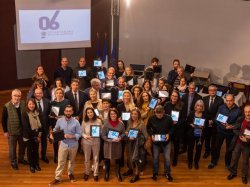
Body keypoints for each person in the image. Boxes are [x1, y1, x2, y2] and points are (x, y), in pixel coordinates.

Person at [49, 105, 82, 185]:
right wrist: (52, 134)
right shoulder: (59, 120)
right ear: (64, 112)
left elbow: (79, 134)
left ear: (72, 112)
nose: (68, 112)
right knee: (61, 161)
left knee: (72, 161)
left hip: (73, 145)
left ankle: (70, 174)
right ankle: (58, 178)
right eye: (67, 111)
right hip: (63, 145)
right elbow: (55, 129)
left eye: (70, 111)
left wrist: (72, 136)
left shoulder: (76, 122)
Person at [208, 94, 242, 169]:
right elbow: (216, 119)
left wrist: (232, 126)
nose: (229, 102)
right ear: (225, 100)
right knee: (217, 147)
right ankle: (213, 162)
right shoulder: (221, 107)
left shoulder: (238, 110)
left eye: (230, 101)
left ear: (234, 100)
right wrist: (224, 126)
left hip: (231, 133)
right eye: (227, 101)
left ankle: (227, 164)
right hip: (220, 131)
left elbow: (239, 123)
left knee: (229, 149)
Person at [2, 89, 28, 170]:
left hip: (22, 130)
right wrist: (5, 131)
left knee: (22, 146)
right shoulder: (6, 106)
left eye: (19, 96)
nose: (17, 97)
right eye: (15, 95)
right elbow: (3, 119)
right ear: (11, 96)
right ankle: (13, 161)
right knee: (12, 148)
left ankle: (21, 159)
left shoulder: (23, 103)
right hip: (12, 131)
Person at [147, 105, 174, 182]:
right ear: (155, 112)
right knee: (155, 158)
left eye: (160, 114)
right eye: (157, 114)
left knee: (167, 159)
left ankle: (167, 173)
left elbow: (172, 128)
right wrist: (151, 134)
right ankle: (155, 173)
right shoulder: (151, 118)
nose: (159, 116)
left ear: (164, 112)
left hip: (166, 141)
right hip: (156, 141)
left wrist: (169, 134)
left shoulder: (169, 118)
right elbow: (148, 128)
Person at [227, 104, 250, 184]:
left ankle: (244, 176)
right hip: (238, 143)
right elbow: (235, 129)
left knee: (245, 161)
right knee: (234, 159)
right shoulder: (241, 119)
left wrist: (247, 140)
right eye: (246, 112)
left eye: (249, 112)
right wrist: (240, 135)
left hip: (247, 145)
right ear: (244, 112)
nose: (247, 113)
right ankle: (233, 173)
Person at [124, 108, 148, 183]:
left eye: (135, 114)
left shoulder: (141, 123)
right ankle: (131, 170)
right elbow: (127, 130)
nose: (133, 115)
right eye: (132, 114)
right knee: (130, 157)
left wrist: (138, 137)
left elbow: (146, 136)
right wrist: (127, 133)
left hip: (138, 144)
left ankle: (136, 174)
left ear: (138, 115)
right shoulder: (129, 121)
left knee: (136, 159)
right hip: (130, 143)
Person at [101, 108, 125, 182]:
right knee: (107, 158)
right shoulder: (106, 123)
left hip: (117, 144)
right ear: (109, 115)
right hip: (108, 144)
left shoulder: (121, 124)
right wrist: (110, 140)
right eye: (111, 114)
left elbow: (123, 133)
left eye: (114, 114)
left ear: (117, 114)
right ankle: (107, 173)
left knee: (117, 158)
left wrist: (120, 137)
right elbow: (103, 135)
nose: (113, 115)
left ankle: (118, 173)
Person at [164, 90, 185, 166]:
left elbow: (183, 118)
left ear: (178, 97)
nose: (174, 97)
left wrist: (177, 122)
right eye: (172, 95)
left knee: (176, 145)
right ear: (170, 96)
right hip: (168, 128)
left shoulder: (182, 105)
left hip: (177, 128)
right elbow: (164, 115)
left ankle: (175, 159)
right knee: (167, 144)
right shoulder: (167, 104)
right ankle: (167, 158)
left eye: (176, 96)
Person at [49, 87, 70, 163]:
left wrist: (62, 116)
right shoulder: (52, 103)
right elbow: (50, 115)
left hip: (65, 122)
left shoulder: (67, 101)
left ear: (63, 94)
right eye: (57, 93)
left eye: (60, 93)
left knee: (65, 140)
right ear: (55, 94)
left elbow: (69, 112)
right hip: (55, 123)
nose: (59, 94)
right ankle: (56, 155)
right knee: (55, 141)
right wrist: (53, 117)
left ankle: (65, 154)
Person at [202, 85, 224, 159]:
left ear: (216, 91)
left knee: (214, 139)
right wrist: (208, 120)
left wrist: (213, 120)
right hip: (206, 122)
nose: (212, 91)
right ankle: (207, 151)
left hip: (216, 123)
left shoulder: (220, 100)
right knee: (207, 138)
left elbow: (220, 113)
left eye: (214, 90)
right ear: (208, 91)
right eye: (210, 90)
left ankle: (213, 152)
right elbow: (203, 111)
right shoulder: (204, 99)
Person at [82, 107, 102, 181]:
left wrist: (98, 134)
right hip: (86, 142)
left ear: (93, 113)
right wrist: (86, 136)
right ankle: (86, 173)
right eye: (88, 112)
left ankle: (96, 173)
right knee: (87, 158)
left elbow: (101, 131)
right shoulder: (84, 121)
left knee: (96, 158)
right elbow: (82, 132)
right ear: (86, 114)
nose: (90, 114)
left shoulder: (98, 121)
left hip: (96, 141)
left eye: (91, 112)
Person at [22, 98, 42, 173]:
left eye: (33, 104)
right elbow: (26, 127)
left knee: (36, 150)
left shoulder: (37, 112)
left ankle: (36, 164)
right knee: (30, 151)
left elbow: (40, 124)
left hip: (36, 135)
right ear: (27, 105)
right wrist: (35, 136)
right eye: (30, 104)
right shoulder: (24, 113)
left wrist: (39, 133)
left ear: (35, 105)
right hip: (29, 135)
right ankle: (31, 165)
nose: (31, 105)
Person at [186, 100, 207, 169]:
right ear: (196, 106)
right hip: (191, 133)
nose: (199, 107)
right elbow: (187, 122)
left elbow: (206, 125)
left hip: (200, 135)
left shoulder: (204, 115)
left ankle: (196, 162)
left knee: (199, 149)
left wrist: (203, 126)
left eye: (201, 106)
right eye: (198, 106)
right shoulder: (191, 113)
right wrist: (190, 124)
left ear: (202, 107)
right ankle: (190, 162)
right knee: (190, 148)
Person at [33, 88, 51, 163]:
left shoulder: (47, 101)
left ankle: (43, 155)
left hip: (45, 127)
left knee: (44, 142)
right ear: (34, 94)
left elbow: (49, 114)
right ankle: (35, 157)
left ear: (42, 94)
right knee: (35, 143)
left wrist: (50, 127)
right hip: (35, 127)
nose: (38, 94)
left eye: (40, 93)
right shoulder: (31, 102)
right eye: (36, 93)